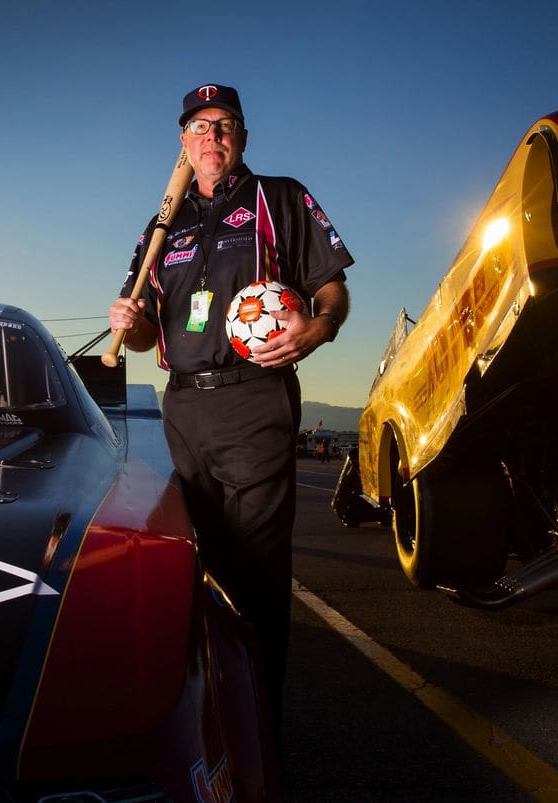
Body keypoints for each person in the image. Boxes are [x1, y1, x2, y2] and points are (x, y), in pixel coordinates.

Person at [108, 83, 353, 721]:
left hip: (255, 402)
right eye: (199, 127)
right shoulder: (164, 224)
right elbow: (139, 339)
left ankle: (257, 728)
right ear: (182, 142)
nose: (211, 137)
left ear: (242, 135)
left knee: (255, 574)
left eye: (225, 125)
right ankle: (206, 711)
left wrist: (317, 329)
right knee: (195, 567)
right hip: (183, 411)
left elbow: (331, 289)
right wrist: (130, 319)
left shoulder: (282, 197)